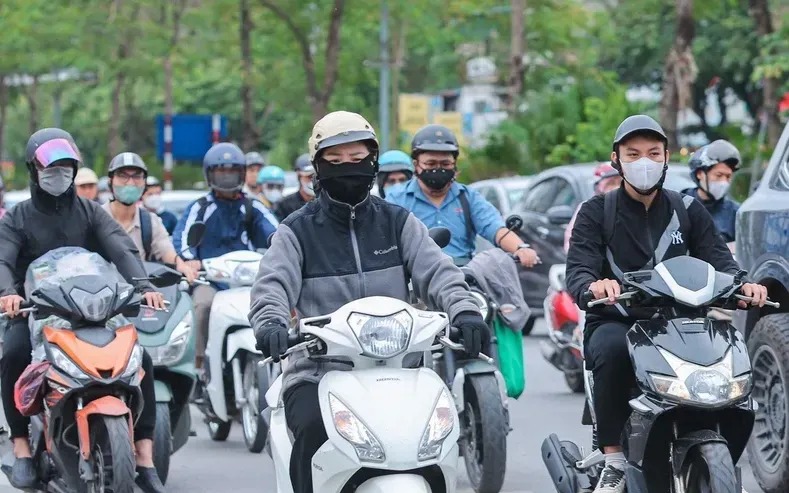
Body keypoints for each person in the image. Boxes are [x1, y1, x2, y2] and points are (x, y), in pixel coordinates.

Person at [249, 111, 489, 493]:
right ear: (317, 167)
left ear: (373, 162)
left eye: (357, 159)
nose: (348, 168)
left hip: (403, 369)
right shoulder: (296, 231)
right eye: (335, 161)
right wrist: (271, 323)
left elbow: (439, 272)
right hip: (318, 372)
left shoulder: (398, 222)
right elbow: (272, 286)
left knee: (438, 436)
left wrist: (465, 310)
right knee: (311, 429)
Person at [565, 115, 768, 493]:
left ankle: (721, 455)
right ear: (616, 159)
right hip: (619, 320)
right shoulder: (597, 211)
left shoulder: (688, 209)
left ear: (666, 157)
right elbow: (578, 270)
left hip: (683, 320)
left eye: (653, 153)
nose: (644, 161)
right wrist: (594, 286)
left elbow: (720, 260)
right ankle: (614, 460)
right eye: (633, 154)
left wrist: (743, 286)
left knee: (729, 350)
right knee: (611, 349)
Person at [0, 128, 168, 493]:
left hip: (92, 310)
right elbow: (3, 259)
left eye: (66, 168)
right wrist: (7, 294)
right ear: (33, 170)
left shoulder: (91, 213)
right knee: (13, 353)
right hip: (35, 312)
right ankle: (22, 447)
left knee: (140, 359)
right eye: (51, 168)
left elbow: (121, 249)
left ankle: (144, 455)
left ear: (75, 171)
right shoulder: (17, 217)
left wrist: (144, 286)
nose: (59, 175)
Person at [173, 142, 278, 371]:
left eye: (233, 171)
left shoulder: (253, 206)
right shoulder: (200, 207)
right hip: (210, 281)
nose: (227, 177)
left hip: (248, 281)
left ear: (242, 173)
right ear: (209, 174)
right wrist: (190, 260)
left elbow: (276, 233)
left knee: (275, 304)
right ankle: (198, 365)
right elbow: (182, 239)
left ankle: (280, 361)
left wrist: (283, 250)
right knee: (202, 305)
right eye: (221, 172)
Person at [386, 124, 539, 267]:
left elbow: (494, 226)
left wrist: (520, 248)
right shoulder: (397, 199)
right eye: (431, 164)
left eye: (445, 164)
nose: (438, 169)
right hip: (414, 276)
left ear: (454, 164)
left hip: (463, 276)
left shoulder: (468, 197)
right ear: (416, 165)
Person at [103, 152, 198, 283]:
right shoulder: (96, 217)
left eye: (137, 176)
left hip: (140, 290)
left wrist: (183, 266)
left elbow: (167, 251)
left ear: (144, 183)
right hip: (102, 290)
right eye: (123, 176)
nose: (130, 182)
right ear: (110, 180)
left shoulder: (150, 221)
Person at [682, 140, 741, 243]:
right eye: (719, 175)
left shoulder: (735, 213)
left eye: (728, 176)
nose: (723, 182)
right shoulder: (679, 205)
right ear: (700, 174)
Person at [563, 162, 622, 254]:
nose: (617, 187)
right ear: (598, 187)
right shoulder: (588, 210)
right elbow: (573, 246)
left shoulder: (637, 206)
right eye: (611, 183)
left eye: (621, 182)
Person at [275, 153, 315, 221]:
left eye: (316, 177)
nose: (313, 180)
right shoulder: (284, 205)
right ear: (299, 176)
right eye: (309, 176)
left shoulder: (325, 203)